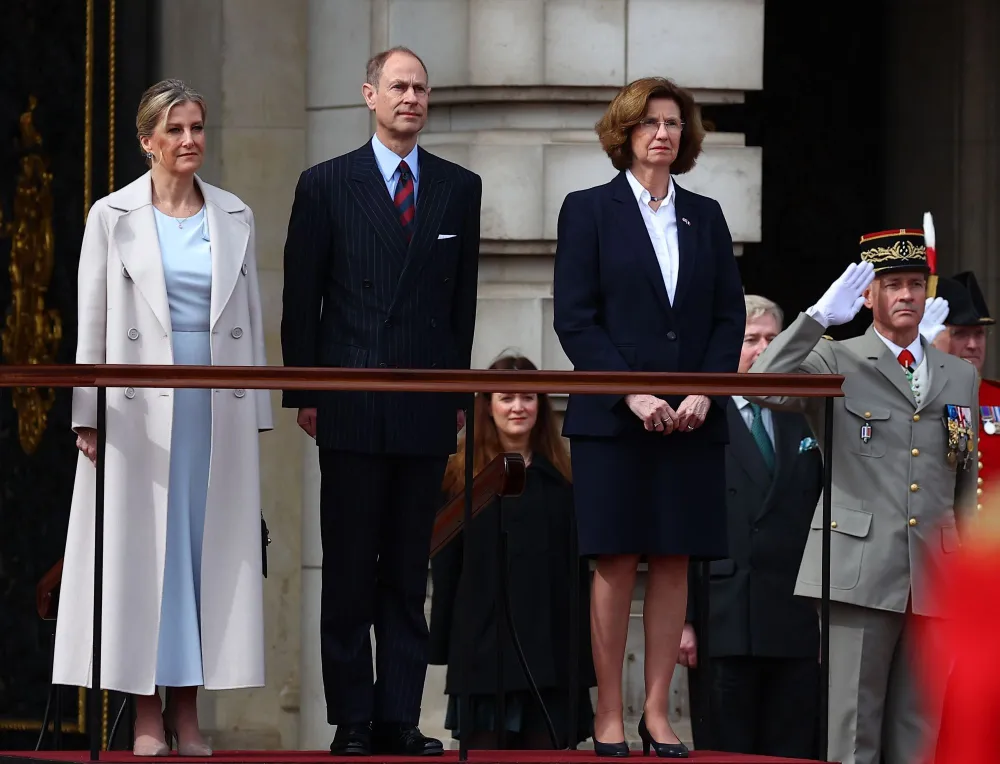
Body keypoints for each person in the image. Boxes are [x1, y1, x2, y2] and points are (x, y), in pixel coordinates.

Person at [54, 79, 272, 757]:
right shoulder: (110, 215)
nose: (188, 141)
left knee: (204, 557)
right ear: (146, 141)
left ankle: (188, 713)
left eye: (197, 128)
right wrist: (86, 413)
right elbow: (92, 321)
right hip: (138, 412)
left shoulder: (234, 214)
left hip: (215, 409)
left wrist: (260, 407)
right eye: (174, 130)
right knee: (141, 559)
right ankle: (145, 712)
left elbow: (252, 318)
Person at [280, 46, 482, 757]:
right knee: (348, 568)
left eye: (421, 88)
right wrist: (304, 392)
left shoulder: (460, 187)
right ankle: (353, 719)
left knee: (407, 568)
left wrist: (459, 392)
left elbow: (463, 306)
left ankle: (400, 714)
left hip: (427, 401)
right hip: (353, 399)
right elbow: (302, 299)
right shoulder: (326, 184)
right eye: (399, 86)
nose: (412, 98)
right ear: (368, 95)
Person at [552, 76, 745, 758]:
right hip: (614, 418)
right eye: (649, 123)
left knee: (672, 561)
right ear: (625, 133)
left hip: (692, 420)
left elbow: (728, 318)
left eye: (672, 123)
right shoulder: (587, 210)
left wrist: (706, 391)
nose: (662, 133)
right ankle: (609, 711)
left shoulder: (707, 215)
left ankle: (658, 713)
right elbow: (574, 318)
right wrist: (630, 393)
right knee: (615, 557)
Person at [747, 229, 980, 764]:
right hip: (860, 570)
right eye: (892, 284)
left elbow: (962, 480)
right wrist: (816, 319)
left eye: (915, 284)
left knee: (919, 729)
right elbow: (760, 384)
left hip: (936, 575)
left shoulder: (956, 374)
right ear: (868, 296)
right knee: (853, 731)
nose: (906, 296)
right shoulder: (837, 358)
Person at [429, 354, 596, 750]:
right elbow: (446, 568)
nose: (518, 407)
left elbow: (578, 573)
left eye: (528, 397)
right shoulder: (457, 477)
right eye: (506, 398)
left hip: (553, 654)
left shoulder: (567, 479)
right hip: (485, 651)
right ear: (488, 406)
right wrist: (441, 644)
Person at [680, 295, 822, 759]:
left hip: (795, 616)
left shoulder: (805, 413)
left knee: (793, 747)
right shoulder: (700, 417)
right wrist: (681, 619)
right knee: (726, 750)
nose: (761, 349)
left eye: (771, 339)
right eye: (749, 340)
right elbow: (679, 523)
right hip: (723, 617)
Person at [923, 271, 997, 506]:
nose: (973, 345)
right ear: (933, 336)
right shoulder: (918, 396)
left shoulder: (996, 398)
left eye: (979, 334)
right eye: (960, 334)